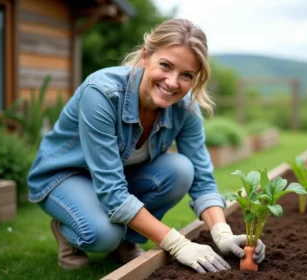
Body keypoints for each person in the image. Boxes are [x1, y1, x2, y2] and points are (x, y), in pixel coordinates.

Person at [27, 18, 265, 273]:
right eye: (165, 65)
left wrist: (222, 235)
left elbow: (203, 180)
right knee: (104, 235)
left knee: (182, 169)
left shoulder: (185, 109)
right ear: (145, 56)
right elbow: (113, 192)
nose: (173, 83)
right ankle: (69, 231)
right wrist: (178, 244)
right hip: (64, 176)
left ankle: (126, 241)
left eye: (186, 75)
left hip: (116, 179)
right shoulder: (102, 94)